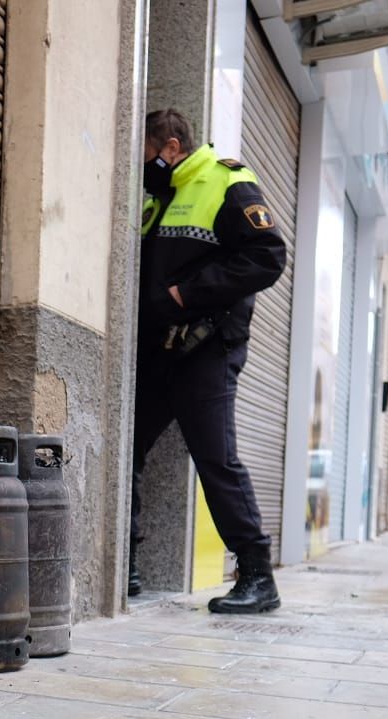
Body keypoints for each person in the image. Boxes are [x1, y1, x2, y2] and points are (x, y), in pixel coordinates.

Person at [131, 109, 286, 613]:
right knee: (128, 446)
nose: (144, 164)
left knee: (216, 458)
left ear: (172, 146)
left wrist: (185, 294)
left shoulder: (226, 181)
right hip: (160, 349)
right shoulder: (161, 199)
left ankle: (258, 576)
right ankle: (126, 564)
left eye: (150, 153)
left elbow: (267, 256)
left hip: (206, 347)